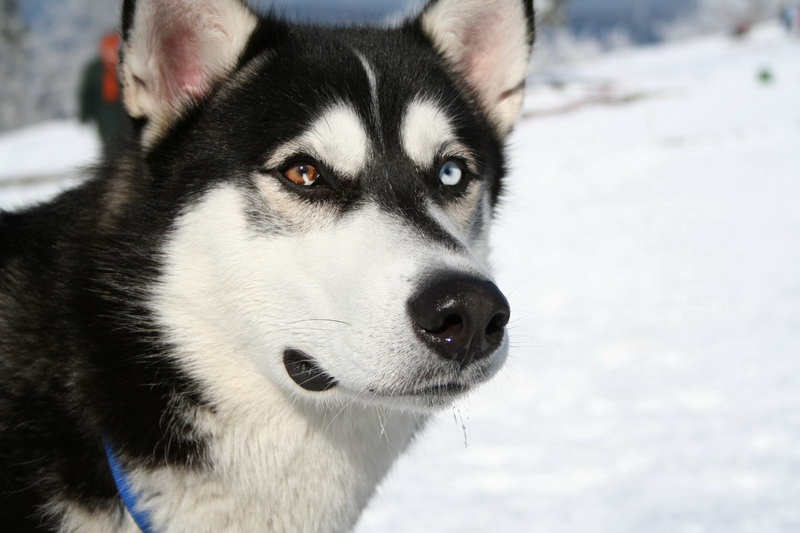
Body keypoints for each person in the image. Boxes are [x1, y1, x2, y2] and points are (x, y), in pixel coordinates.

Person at [78, 32, 125, 147]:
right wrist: (85, 113)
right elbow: (87, 94)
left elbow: (87, 93)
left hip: (111, 119)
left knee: (113, 147)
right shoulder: (96, 68)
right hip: (111, 118)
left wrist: (85, 114)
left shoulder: (95, 68)